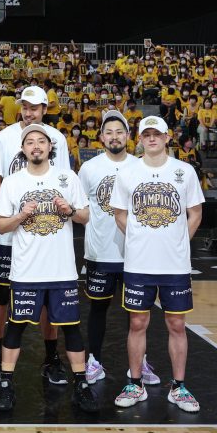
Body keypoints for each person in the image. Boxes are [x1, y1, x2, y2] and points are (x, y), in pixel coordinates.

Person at [0, 123, 98, 413]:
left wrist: (71, 211)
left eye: (41, 141)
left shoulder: (68, 177)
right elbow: (0, 225)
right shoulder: (12, 182)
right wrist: (20, 216)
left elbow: (86, 217)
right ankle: (6, 384)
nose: (36, 146)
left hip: (62, 271)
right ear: (23, 149)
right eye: (30, 142)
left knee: (71, 328)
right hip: (26, 271)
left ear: (51, 147)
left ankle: (81, 385)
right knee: (15, 328)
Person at [110, 115, 204, 413]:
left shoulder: (184, 171)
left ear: (167, 138)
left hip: (174, 265)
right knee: (138, 323)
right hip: (139, 263)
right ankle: (135, 383)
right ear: (140, 139)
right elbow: (119, 212)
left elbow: (196, 212)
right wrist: (138, 236)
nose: (151, 138)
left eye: (157, 134)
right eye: (146, 134)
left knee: (177, 324)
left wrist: (180, 241)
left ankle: (178, 387)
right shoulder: (127, 173)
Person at [0, 86, 69, 385]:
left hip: (44, 235)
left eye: (36, 107)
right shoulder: (5, 137)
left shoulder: (57, 139)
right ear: (19, 107)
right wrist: (9, 216)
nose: (30, 111)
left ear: (46, 109)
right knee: (1, 294)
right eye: (25, 106)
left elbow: (64, 185)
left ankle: (51, 358)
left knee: (48, 299)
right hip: (12, 233)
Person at [77, 110, 161, 385]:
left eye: (119, 131)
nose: (114, 136)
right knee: (98, 310)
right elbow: (82, 210)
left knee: (136, 314)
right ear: (101, 137)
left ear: (128, 136)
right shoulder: (89, 169)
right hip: (100, 253)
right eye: (109, 132)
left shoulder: (141, 168)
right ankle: (94, 361)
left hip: (135, 254)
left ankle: (140, 363)